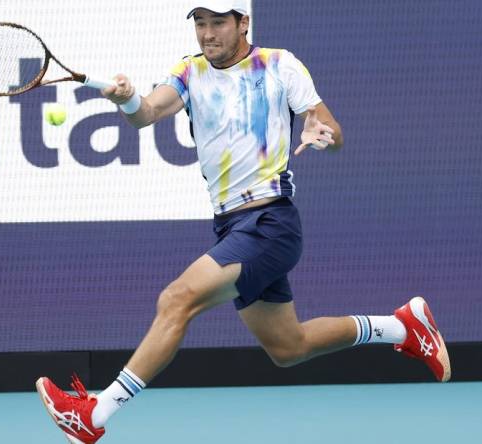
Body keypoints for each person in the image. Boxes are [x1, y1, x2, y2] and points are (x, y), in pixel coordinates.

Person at [35, 1, 451, 442]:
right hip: (232, 226)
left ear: (242, 23)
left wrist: (320, 136)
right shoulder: (189, 72)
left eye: (218, 23)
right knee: (289, 348)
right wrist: (127, 99)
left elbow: (331, 129)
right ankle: (403, 326)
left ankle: (95, 414)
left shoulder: (279, 65)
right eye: (200, 23)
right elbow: (148, 113)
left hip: (270, 222)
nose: (208, 33)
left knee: (177, 299)